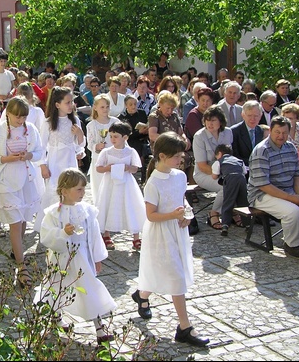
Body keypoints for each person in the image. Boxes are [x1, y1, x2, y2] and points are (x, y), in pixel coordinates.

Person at [131, 132, 208, 347]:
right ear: (162, 156)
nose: (180, 160)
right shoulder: (153, 183)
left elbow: (181, 201)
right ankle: (185, 327)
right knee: (175, 277)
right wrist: (173, 216)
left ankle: (142, 294)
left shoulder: (180, 176)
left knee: (170, 272)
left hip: (177, 231)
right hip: (160, 235)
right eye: (176, 157)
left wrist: (186, 216)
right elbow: (151, 215)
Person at [34, 168, 116, 344]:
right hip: (61, 260)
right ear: (64, 191)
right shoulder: (53, 214)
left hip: (83, 259)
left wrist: (97, 257)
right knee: (58, 288)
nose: (82, 193)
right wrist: (62, 233)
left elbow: (94, 235)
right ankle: (56, 316)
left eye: (84, 189)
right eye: (78, 189)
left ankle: (99, 328)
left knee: (89, 289)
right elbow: (47, 236)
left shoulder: (87, 211)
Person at [0, 97, 45, 288]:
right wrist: (6, 158)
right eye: (17, 117)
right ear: (8, 113)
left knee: (24, 219)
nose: (20, 120)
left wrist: (29, 156)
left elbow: (40, 151)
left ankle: (16, 250)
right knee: (15, 224)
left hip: (26, 179)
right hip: (5, 180)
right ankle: (21, 266)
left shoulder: (31, 129)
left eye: (23, 117)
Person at [248, 117, 299, 258]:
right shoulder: (261, 150)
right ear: (270, 131)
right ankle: (292, 244)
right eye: (277, 132)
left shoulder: (290, 148)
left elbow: (297, 175)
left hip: (287, 191)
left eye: (284, 133)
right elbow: (264, 185)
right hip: (262, 195)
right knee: (293, 211)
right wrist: (291, 198)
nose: (281, 136)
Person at [36, 86, 86, 231]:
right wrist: (42, 165)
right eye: (68, 102)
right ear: (57, 104)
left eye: (72, 102)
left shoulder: (75, 120)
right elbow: (41, 146)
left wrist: (80, 134)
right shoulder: (48, 123)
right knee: (54, 193)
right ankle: (51, 227)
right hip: (54, 163)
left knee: (71, 190)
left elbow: (80, 144)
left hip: (70, 161)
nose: (71, 105)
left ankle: (70, 224)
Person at [95, 121, 147, 251]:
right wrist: (108, 168)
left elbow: (136, 168)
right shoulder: (106, 152)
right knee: (109, 204)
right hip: (110, 183)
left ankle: (136, 236)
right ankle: (106, 234)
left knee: (130, 206)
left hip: (126, 184)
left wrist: (127, 168)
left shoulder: (130, 151)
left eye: (116, 136)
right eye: (111, 136)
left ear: (125, 138)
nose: (112, 139)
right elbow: (99, 168)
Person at [192, 106, 233, 230]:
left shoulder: (228, 132)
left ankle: (233, 212)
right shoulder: (199, 136)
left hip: (224, 171)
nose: (209, 123)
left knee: (238, 183)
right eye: (207, 120)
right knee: (225, 187)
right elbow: (202, 165)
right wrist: (221, 174)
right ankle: (213, 213)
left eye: (213, 120)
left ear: (220, 121)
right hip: (204, 173)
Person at [86, 94, 119, 202]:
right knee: (99, 189)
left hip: (114, 158)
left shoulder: (115, 122)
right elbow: (90, 144)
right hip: (99, 160)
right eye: (102, 107)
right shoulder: (91, 125)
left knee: (114, 190)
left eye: (107, 106)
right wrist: (97, 146)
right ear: (95, 107)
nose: (105, 109)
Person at [211, 144, 248, 235]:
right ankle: (247, 224)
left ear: (219, 153)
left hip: (230, 179)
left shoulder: (219, 162)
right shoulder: (239, 160)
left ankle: (225, 225)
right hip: (242, 179)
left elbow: (214, 176)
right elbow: (245, 172)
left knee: (228, 202)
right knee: (243, 202)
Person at [118, 94, 151, 180]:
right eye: (130, 104)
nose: (133, 106)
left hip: (143, 139)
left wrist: (146, 130)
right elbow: (125, 135)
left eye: (135, 104)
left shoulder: (142, 113)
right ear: (126, 105)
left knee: (145, 147)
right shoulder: (122, 117)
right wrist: (138, 132)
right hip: (130, 141)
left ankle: (145, 176)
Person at [232, 101, 264, 167]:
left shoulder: (260, 130)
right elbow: (234, 156)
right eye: (249, 115)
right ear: (243, 115)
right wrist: (253, 163)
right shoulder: (234, 131)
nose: (252, 119)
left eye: (256, 116)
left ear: (260, 116)